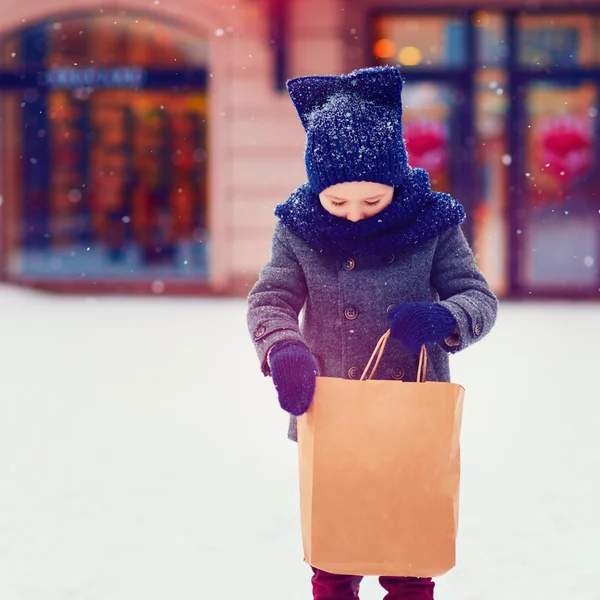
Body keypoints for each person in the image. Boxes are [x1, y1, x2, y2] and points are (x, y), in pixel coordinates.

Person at [247, 65, 498, 600]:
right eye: (337, 202)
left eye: (372, 201)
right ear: (318, 188)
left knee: (408, 554)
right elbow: (272, 297)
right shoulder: (298, 227)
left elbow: (478, 298)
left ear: (396, 182)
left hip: (412, 414)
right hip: (331, 414)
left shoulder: (434, 223)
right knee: (334, 556)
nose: (354, 215)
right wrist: (283, 347)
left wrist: (447, 318)